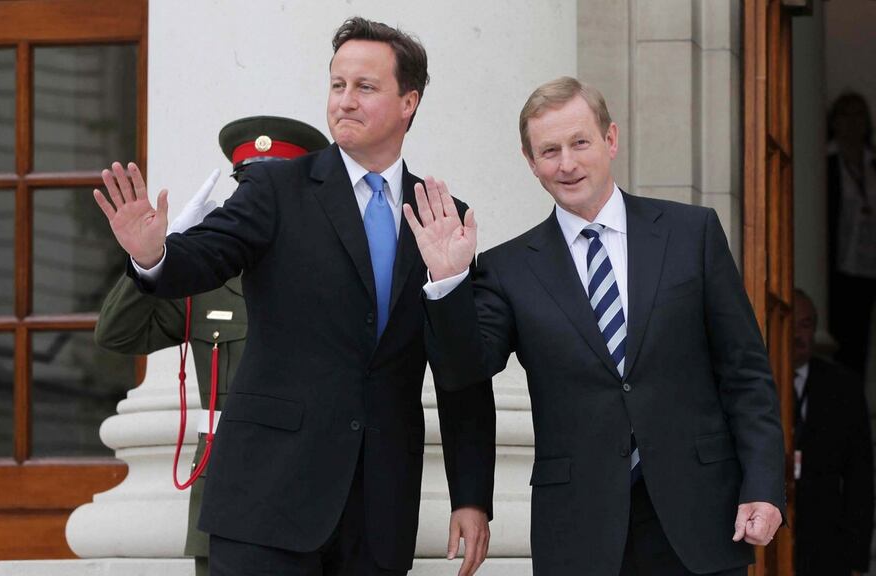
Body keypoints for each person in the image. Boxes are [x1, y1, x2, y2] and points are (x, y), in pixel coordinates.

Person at [92, 17, 495, 576]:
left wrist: (471, 495)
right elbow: (208, 254)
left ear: (409, 101)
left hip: (378, 512)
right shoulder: (277, 189)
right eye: (337, 85)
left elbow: (461, 373)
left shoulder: (441, 216)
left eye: (365, 87)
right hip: (267, 503)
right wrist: (153, 254)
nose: (345, 101)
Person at [406, 76, 785, 575]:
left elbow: (745, 374)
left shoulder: (692, 233)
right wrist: (450, 281)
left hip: (701, 518)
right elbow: (464, 370)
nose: (566, 163)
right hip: (580, 528)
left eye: (579, 143)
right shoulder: (508, 268)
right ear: (530, 162)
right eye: (549, 151)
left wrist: (762, 485)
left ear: (610, 140)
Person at [94, 115, 331, 576]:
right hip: (228, 489)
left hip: (310, 486)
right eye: (250, 189)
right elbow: (116, 333)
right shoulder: (203, 279)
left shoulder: (325, 272)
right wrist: (156, 257)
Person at [792, 289, 874, 576]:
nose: (798, 334)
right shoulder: (760, 381)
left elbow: (860, 478)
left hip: (826, 538)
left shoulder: (843, 387)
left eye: (806, 324)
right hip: (770, 533)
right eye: (791, 323)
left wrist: (856, 559)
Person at [826, 91, 876, 377]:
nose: (852, 122)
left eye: (859, 114)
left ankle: (853, 406)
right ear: (834, 121)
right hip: (835, 268)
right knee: (833, 341)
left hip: (869, 268)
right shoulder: (825, 164)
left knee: (859, 345)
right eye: (845, 114)